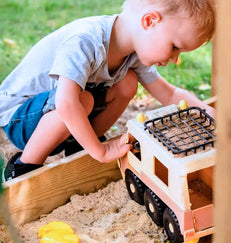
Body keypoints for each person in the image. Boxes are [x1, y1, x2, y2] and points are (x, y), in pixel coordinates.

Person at [0, 0, 216, 181]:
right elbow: (67, 103)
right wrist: (101, 152)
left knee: (128, 82)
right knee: (81, 101)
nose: (174, 59)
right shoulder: (86, 41)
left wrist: (211, 114)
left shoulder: (133, 55)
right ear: (150, 21)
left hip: (61, 117)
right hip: (19, 119)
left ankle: (81, 143)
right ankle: (23, 166)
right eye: (175, 47)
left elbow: (169, 94)